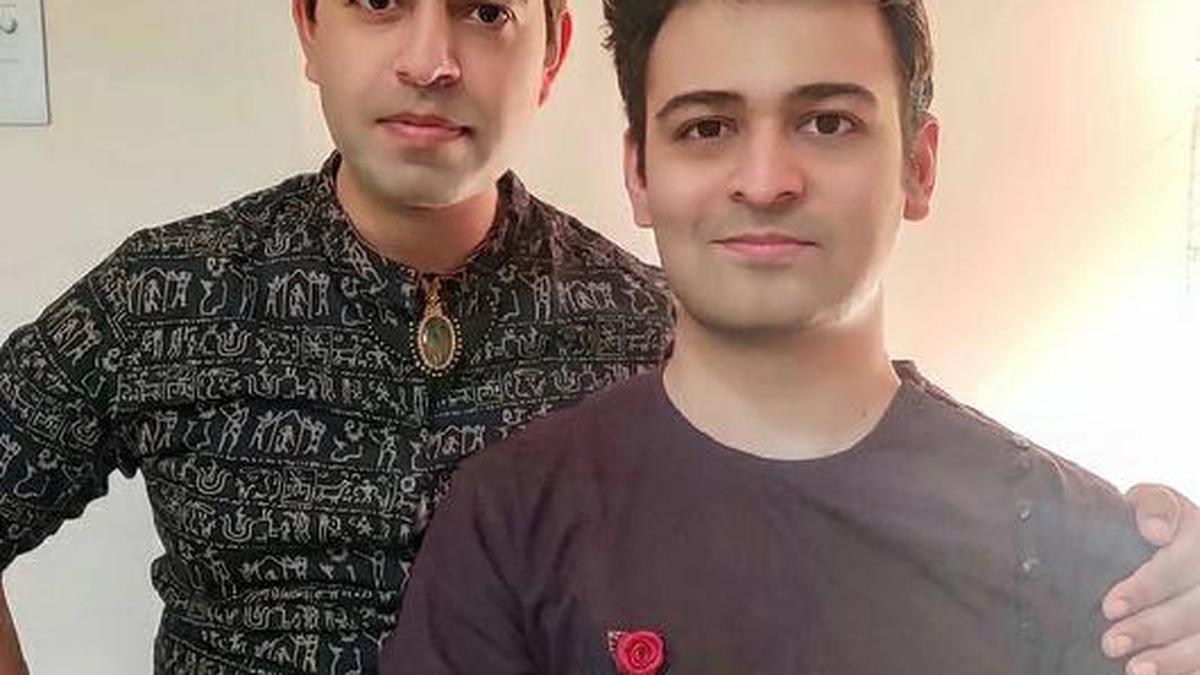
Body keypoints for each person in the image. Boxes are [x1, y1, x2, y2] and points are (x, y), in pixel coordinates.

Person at [0, 0, 1195, 673]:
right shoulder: (166, 293)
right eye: (377, 1)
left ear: (552, 52)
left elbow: (843, 457)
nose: (431, 58)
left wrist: (1124, 552)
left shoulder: (655, 320)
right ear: (308, 31)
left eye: (486, 11)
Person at [381, 1, 1200, 673]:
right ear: (639, 173)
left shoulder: (1090, 561)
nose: (766, 181)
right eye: (708, 128)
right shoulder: (511, 523)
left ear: (918, 166)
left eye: (828, 123)